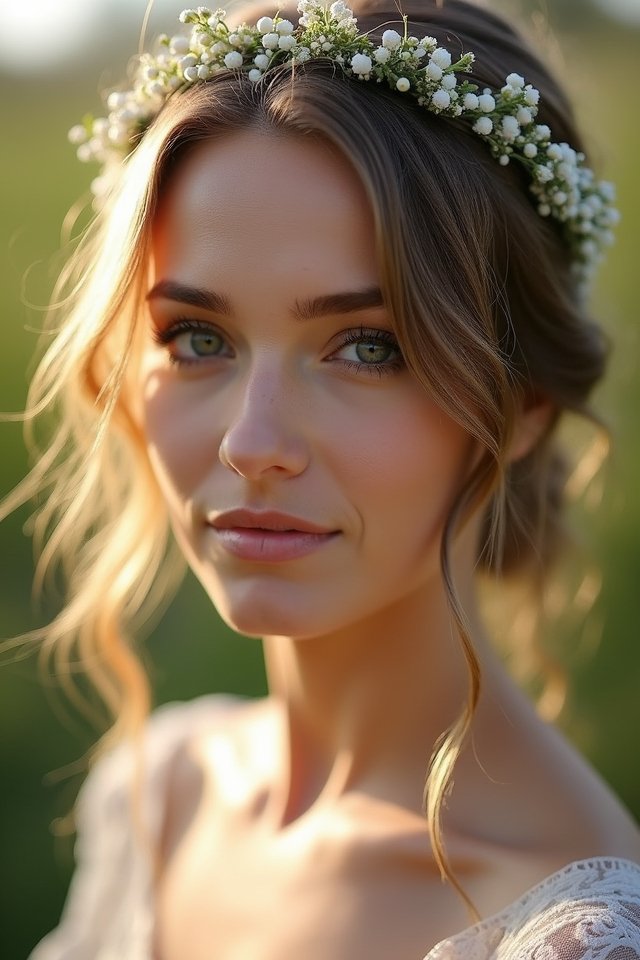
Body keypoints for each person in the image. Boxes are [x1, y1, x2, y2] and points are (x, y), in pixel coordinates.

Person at [6, 0, 639, 957]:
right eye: (197, 337)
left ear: (525, 406)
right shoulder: (167, 791)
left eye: (368, 348)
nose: (252, 444)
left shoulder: (569, 936)